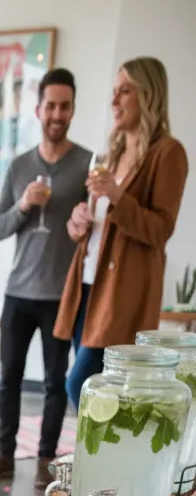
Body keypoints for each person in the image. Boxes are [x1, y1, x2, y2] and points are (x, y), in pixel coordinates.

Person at [0, 69, 91, 488]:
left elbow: (95, 227)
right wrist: (24, 204)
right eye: (51, 106)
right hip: (18, 292)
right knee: (8, 378)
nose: (57, 114)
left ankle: (46, 460)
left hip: (61, 295)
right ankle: (4, 456)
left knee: (55, 383)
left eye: (65, 106)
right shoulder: (19, 166)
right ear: (39, 109)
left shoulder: (86, 165)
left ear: (72, 110)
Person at [56, 57, 188, 410]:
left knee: (81, 386)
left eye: (124, 91)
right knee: (101, 397)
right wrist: (78, 221)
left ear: (149, 95)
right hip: (87, 284)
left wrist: (117, 196)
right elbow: (101, 225)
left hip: (121, 294)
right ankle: (95, 446)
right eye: (114, 91)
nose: (114, 100)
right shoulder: (111, 153)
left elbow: (160, 229)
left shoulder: (167, 153)